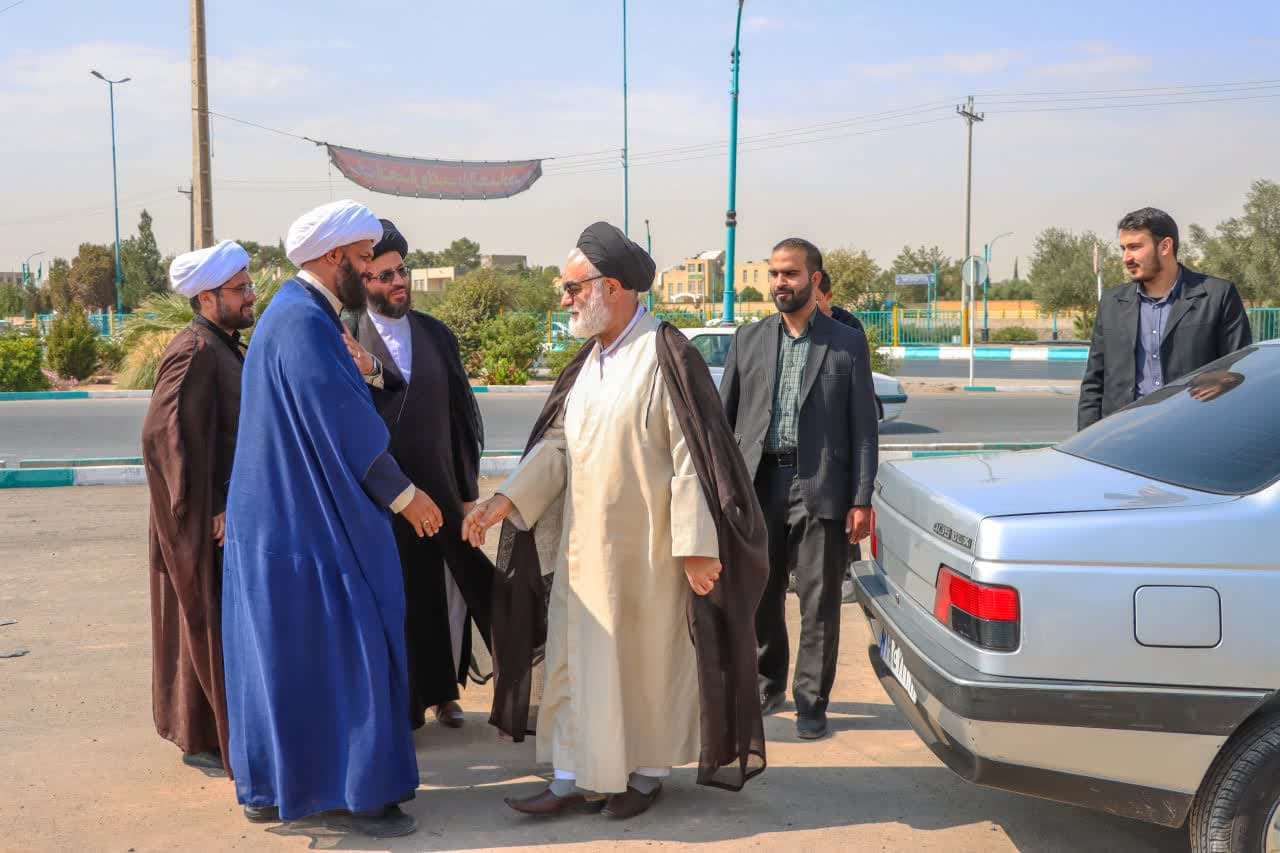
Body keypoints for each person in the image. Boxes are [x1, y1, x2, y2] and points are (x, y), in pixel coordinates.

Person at [462, 222, 768, 820]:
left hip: (647, 553)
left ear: (613, 287)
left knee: (643, 667)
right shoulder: (590, 361)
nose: (565, 299)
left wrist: (697, 547)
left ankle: (646, 775)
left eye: (573, 287)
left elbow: (693, 457)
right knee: (578, 664)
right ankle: (572, 776)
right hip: (584, 553)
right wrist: (505, 501)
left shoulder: (665, 353)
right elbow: (558, 446)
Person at [221, 200, 441, 839]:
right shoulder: (303, 322)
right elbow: (343, 423)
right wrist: (405, 495)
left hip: (281, 523)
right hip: (306, 526)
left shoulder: (294, 313)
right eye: (364, 259)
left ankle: (273, 787)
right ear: (332, 257)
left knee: (285, 657)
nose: (371, 271)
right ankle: (361, 794)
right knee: (353, 640)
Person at [720, 237, 879, 740]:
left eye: (789, 274)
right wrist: (722, 491)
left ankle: (812, 702)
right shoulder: (748, 339)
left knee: (819, 601)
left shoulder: (845, 342)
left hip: (820, 485)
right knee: (761, 594)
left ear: (814, 279)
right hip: (758, 484)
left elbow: (864, 429)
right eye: (773, 274)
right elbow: (723, 422)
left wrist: (861, 499)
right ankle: (768, 684)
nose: (779, 283)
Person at [347, 219, 495, 731]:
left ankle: (443, 694)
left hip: (441, 489)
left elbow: (461, 418)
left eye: (402, 271)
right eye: (385, 275)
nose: (398, 282)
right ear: (364, 281)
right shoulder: (346, 334)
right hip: (380, 497)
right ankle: (402, 704)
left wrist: (468, 493)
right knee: (396, 597)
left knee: (443, 594)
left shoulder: (434, 334)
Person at [140, 240, 254, 777]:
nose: (250, 296)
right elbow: (163, 435)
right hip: (205, 520)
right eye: (240, 289)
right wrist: (205, 508)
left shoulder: (223, 345)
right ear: (207, 298)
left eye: (249, 286)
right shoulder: (193, 350)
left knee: (206, 626)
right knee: (201, 622)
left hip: (223, 513)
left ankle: (199, 731)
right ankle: (201, 736)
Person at [1078, 207, 1252, 430]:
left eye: (1135, 247)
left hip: (1195, 431)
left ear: (1165, 246)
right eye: (1123, 248)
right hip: (1122, 434)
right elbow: (1094, 382)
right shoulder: (1112, 303)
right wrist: (1086, 438)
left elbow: (1239, 369)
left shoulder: (1217, 296)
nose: (1126, 258)